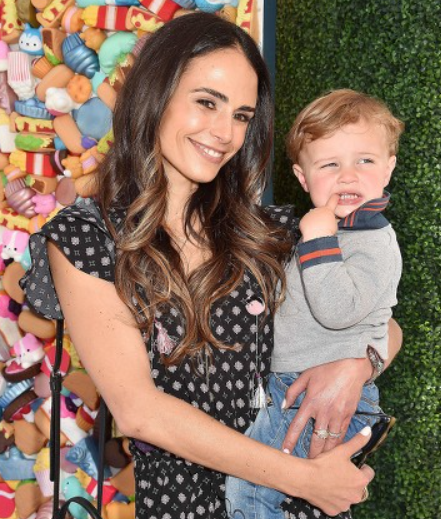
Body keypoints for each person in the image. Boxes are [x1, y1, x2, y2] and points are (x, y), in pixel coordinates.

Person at [20, 15, 401, 519]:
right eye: (206, 102)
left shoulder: (275, 230)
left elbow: (385, 325)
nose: (225, 133)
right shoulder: (87, 237)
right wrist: (305, 479)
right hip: (195, 504)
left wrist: (356, 366)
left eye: (242, 115)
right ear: (156, 95)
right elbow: (139, 411)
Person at [225, 89, 404, 519]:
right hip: (291, 386)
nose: (348, 176)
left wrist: (319, 239)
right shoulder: (330, 231)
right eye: (329, 165)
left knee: (250, 493)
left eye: (364, 160)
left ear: (389, 167)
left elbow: (338, 311)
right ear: (303, 178)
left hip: (311, 393)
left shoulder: (370, 241)